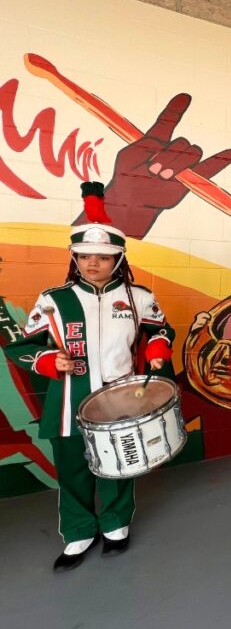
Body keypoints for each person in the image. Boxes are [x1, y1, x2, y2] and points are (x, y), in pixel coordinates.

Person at [8, 182, 175, 571]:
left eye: (102, 257)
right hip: (67, 403)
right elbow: (21, 346)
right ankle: (80, 532)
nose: (92, 263)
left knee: (119, 464)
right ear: (75, 258)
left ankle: (116, 525)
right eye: (84, 256)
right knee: (72, 470)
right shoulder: (54, 300)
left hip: (120, 400)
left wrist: (156, 349)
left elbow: (161, 331)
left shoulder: (140, 297)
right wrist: (49, 360)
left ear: (117, 259)